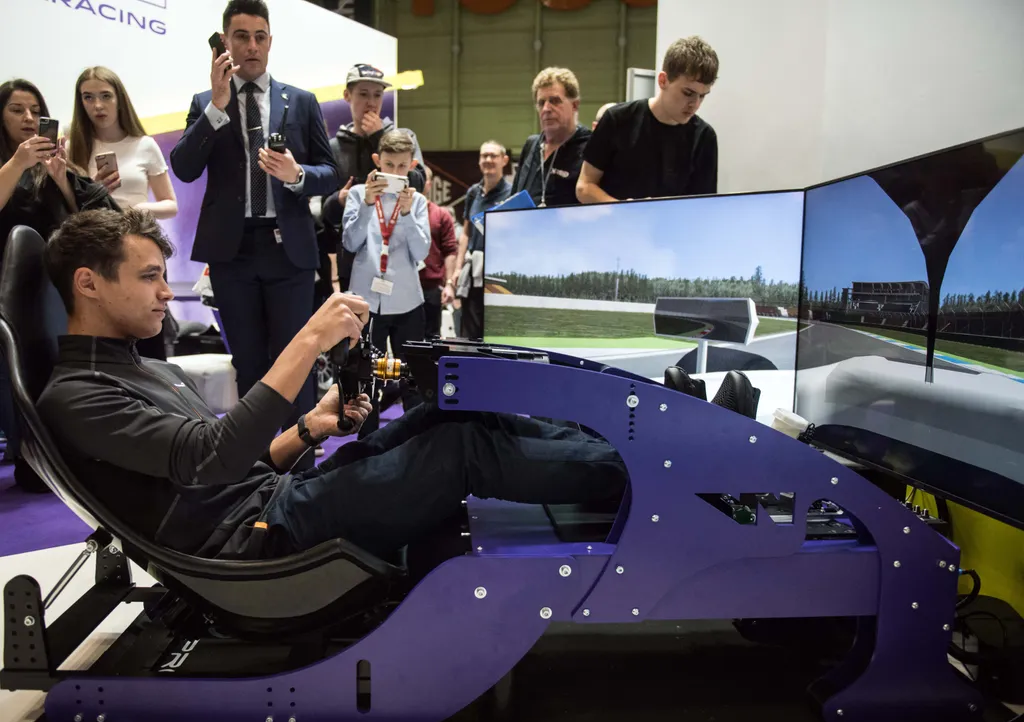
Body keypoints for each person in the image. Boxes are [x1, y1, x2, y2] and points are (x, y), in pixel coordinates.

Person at [37, 207, 628, 563]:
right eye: (149, 278)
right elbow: (210, 459)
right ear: (88, 284)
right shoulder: (78, 396)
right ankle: (642, 474)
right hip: (256, 539)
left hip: (271, 504)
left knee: (451, 416)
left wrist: (309, 426)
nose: (168, 292)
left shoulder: (144, 368)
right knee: (461, 450)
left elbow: (232, 462)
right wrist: (309, 339)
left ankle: (621, 448)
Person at [169, 0, 338, 470]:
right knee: (249, 365)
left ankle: (301, 468)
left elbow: (331, 171)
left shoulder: (300, 101)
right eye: (241, 36)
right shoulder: (206, 103)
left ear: (270, 41)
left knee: (298, 360)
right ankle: (256, 467)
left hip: (290, 252)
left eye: (260, 36)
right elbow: (183, 168)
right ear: (225, 42)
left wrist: (296, 173)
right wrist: (218, 108)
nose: (251, 45)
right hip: (232, 252)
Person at [0, 78, 117, 492]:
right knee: (17, 372)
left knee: (56, 366)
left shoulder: (50, 166)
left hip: (54, 287)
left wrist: (61, 176)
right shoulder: (10, 165)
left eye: (35, 110)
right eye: (17, 109)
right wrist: (16, 164)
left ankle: (55, 457)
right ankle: (24, 454)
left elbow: (86, 218)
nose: (29, 118)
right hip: (6, 289)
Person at [68, 66, 178, 360]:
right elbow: (67, 208)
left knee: (147, 336)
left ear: (120, 99)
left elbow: (170, 204)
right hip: (94, 250)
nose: (98, 105)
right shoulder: (72, 147)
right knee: (102, 333)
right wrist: (93, 191)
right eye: (88, 97)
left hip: (139, 246)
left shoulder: (143, 145)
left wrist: (135, 209)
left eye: (105, 96)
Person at [342, 130, 430, 426]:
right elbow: (350, 243)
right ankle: (367, 443)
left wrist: (405, 214)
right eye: (389, 165)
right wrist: (367, 205)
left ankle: (415, 440)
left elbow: (421, 252)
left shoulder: (417, 202)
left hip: (407, 302)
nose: (394, 173)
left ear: (412, 166)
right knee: (366, 378)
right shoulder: (358, 195)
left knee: (412, 377)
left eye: (401, 167)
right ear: (378, 161)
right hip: (366, 302)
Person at [321, 64, 425, 293]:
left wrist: (381, 136)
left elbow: (419, 182)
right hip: (353, 253)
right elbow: (325, 211)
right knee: (356, 325)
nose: (372, 102)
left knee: (399, 317)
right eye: (363, 94)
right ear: (347, 96)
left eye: (378, 95)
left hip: (398, 250)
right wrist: (340, 200)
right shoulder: (333, 148)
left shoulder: (404, 138)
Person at [577, 36, 719, 204]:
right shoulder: (617, 120)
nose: (695, 104)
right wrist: (622, 209)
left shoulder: (704, 137)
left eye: (702, 96)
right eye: (688, 93)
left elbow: (704, 207)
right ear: (663, 80)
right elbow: (584, 186)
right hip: (617, 227)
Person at [448, 140, 511, 340]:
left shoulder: (512, 192)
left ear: (504, 160)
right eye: (484, 156)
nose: (488, 160)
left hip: (500, 273)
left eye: (493, 155)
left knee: (495, 331)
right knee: (470, 331)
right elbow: (466, 233)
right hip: (474, 272)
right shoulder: (473, 193)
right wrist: (458, 268)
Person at [510, 68, 591, 209]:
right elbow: (513, 198)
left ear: (575, 105)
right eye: (541, 103)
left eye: (554, 101)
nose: (546, 108)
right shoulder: (531, 145)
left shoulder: (590, 146)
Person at [420, 166, 458, 339]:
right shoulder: (397, 213)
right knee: (402, 342)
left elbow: (450, 250)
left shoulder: (441, 215)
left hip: (431, 288)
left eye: (423, 178)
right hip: (401, 288)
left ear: (429, 184)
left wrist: (449, 283)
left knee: (431, 340)